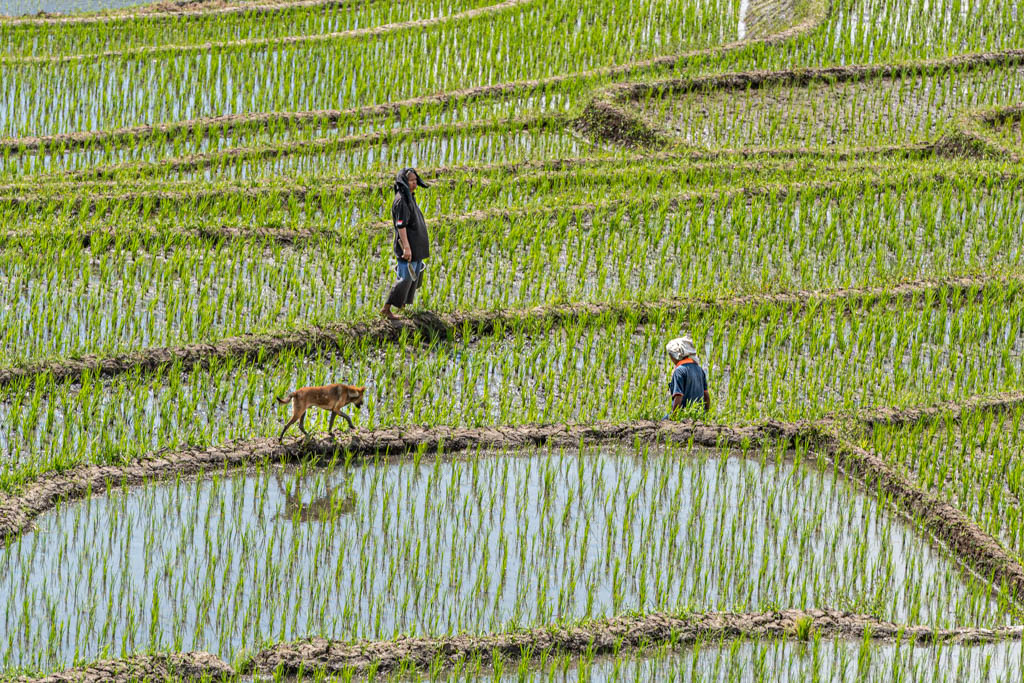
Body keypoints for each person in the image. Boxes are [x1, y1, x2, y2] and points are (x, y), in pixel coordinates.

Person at [381, 167, 430, 320]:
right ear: (404, 182)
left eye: (415, 180)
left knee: (414, 277)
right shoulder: (401, 201)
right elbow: (401, 226)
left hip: (416, 245)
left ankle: (402, 306)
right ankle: (386, 309)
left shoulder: (409, 196)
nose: (414, 183)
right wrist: (407, 248)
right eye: (411, 181)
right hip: (408, 247)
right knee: (405, 279)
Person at [665, 334, 710, 416]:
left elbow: (678, 395)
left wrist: (674, 416)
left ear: (674, 355)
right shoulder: (699, 369)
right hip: (697, 414)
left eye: (670, 355)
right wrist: (705, 415)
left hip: (683, 414)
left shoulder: (679, 371)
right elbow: (706, 396)